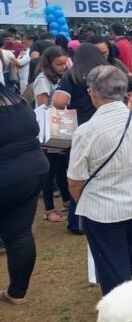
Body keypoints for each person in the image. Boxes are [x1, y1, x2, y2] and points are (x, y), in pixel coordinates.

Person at [66, 65, 132, 322]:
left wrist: (86, 202)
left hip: (104, 210)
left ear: (94, 93)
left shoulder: (87, 131)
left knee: (113, 266)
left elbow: (74, 180)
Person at [52, 44, 111, 234]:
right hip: (109, 127)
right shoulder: (109, 72)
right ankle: (106, 214)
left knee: (79, 175)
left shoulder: (72, 75)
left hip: (82, 128)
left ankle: (77, 222)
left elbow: (59, 101)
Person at [0, 85, 49, 305]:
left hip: (8, 173)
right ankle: (17, 293)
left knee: (19, 234)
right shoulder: (16, 100)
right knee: (20, 233)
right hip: (34, 170)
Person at [33, 46, 71, 222]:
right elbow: (42, 107)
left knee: (61, 167)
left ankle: (66, 201)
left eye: (64, 63)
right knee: (50, 171)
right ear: (49, 64)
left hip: (60, 128)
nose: (63, 67)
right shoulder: (42, 80)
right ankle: (49, 209)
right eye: (58, 64)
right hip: (49, 131)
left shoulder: (61, 78)